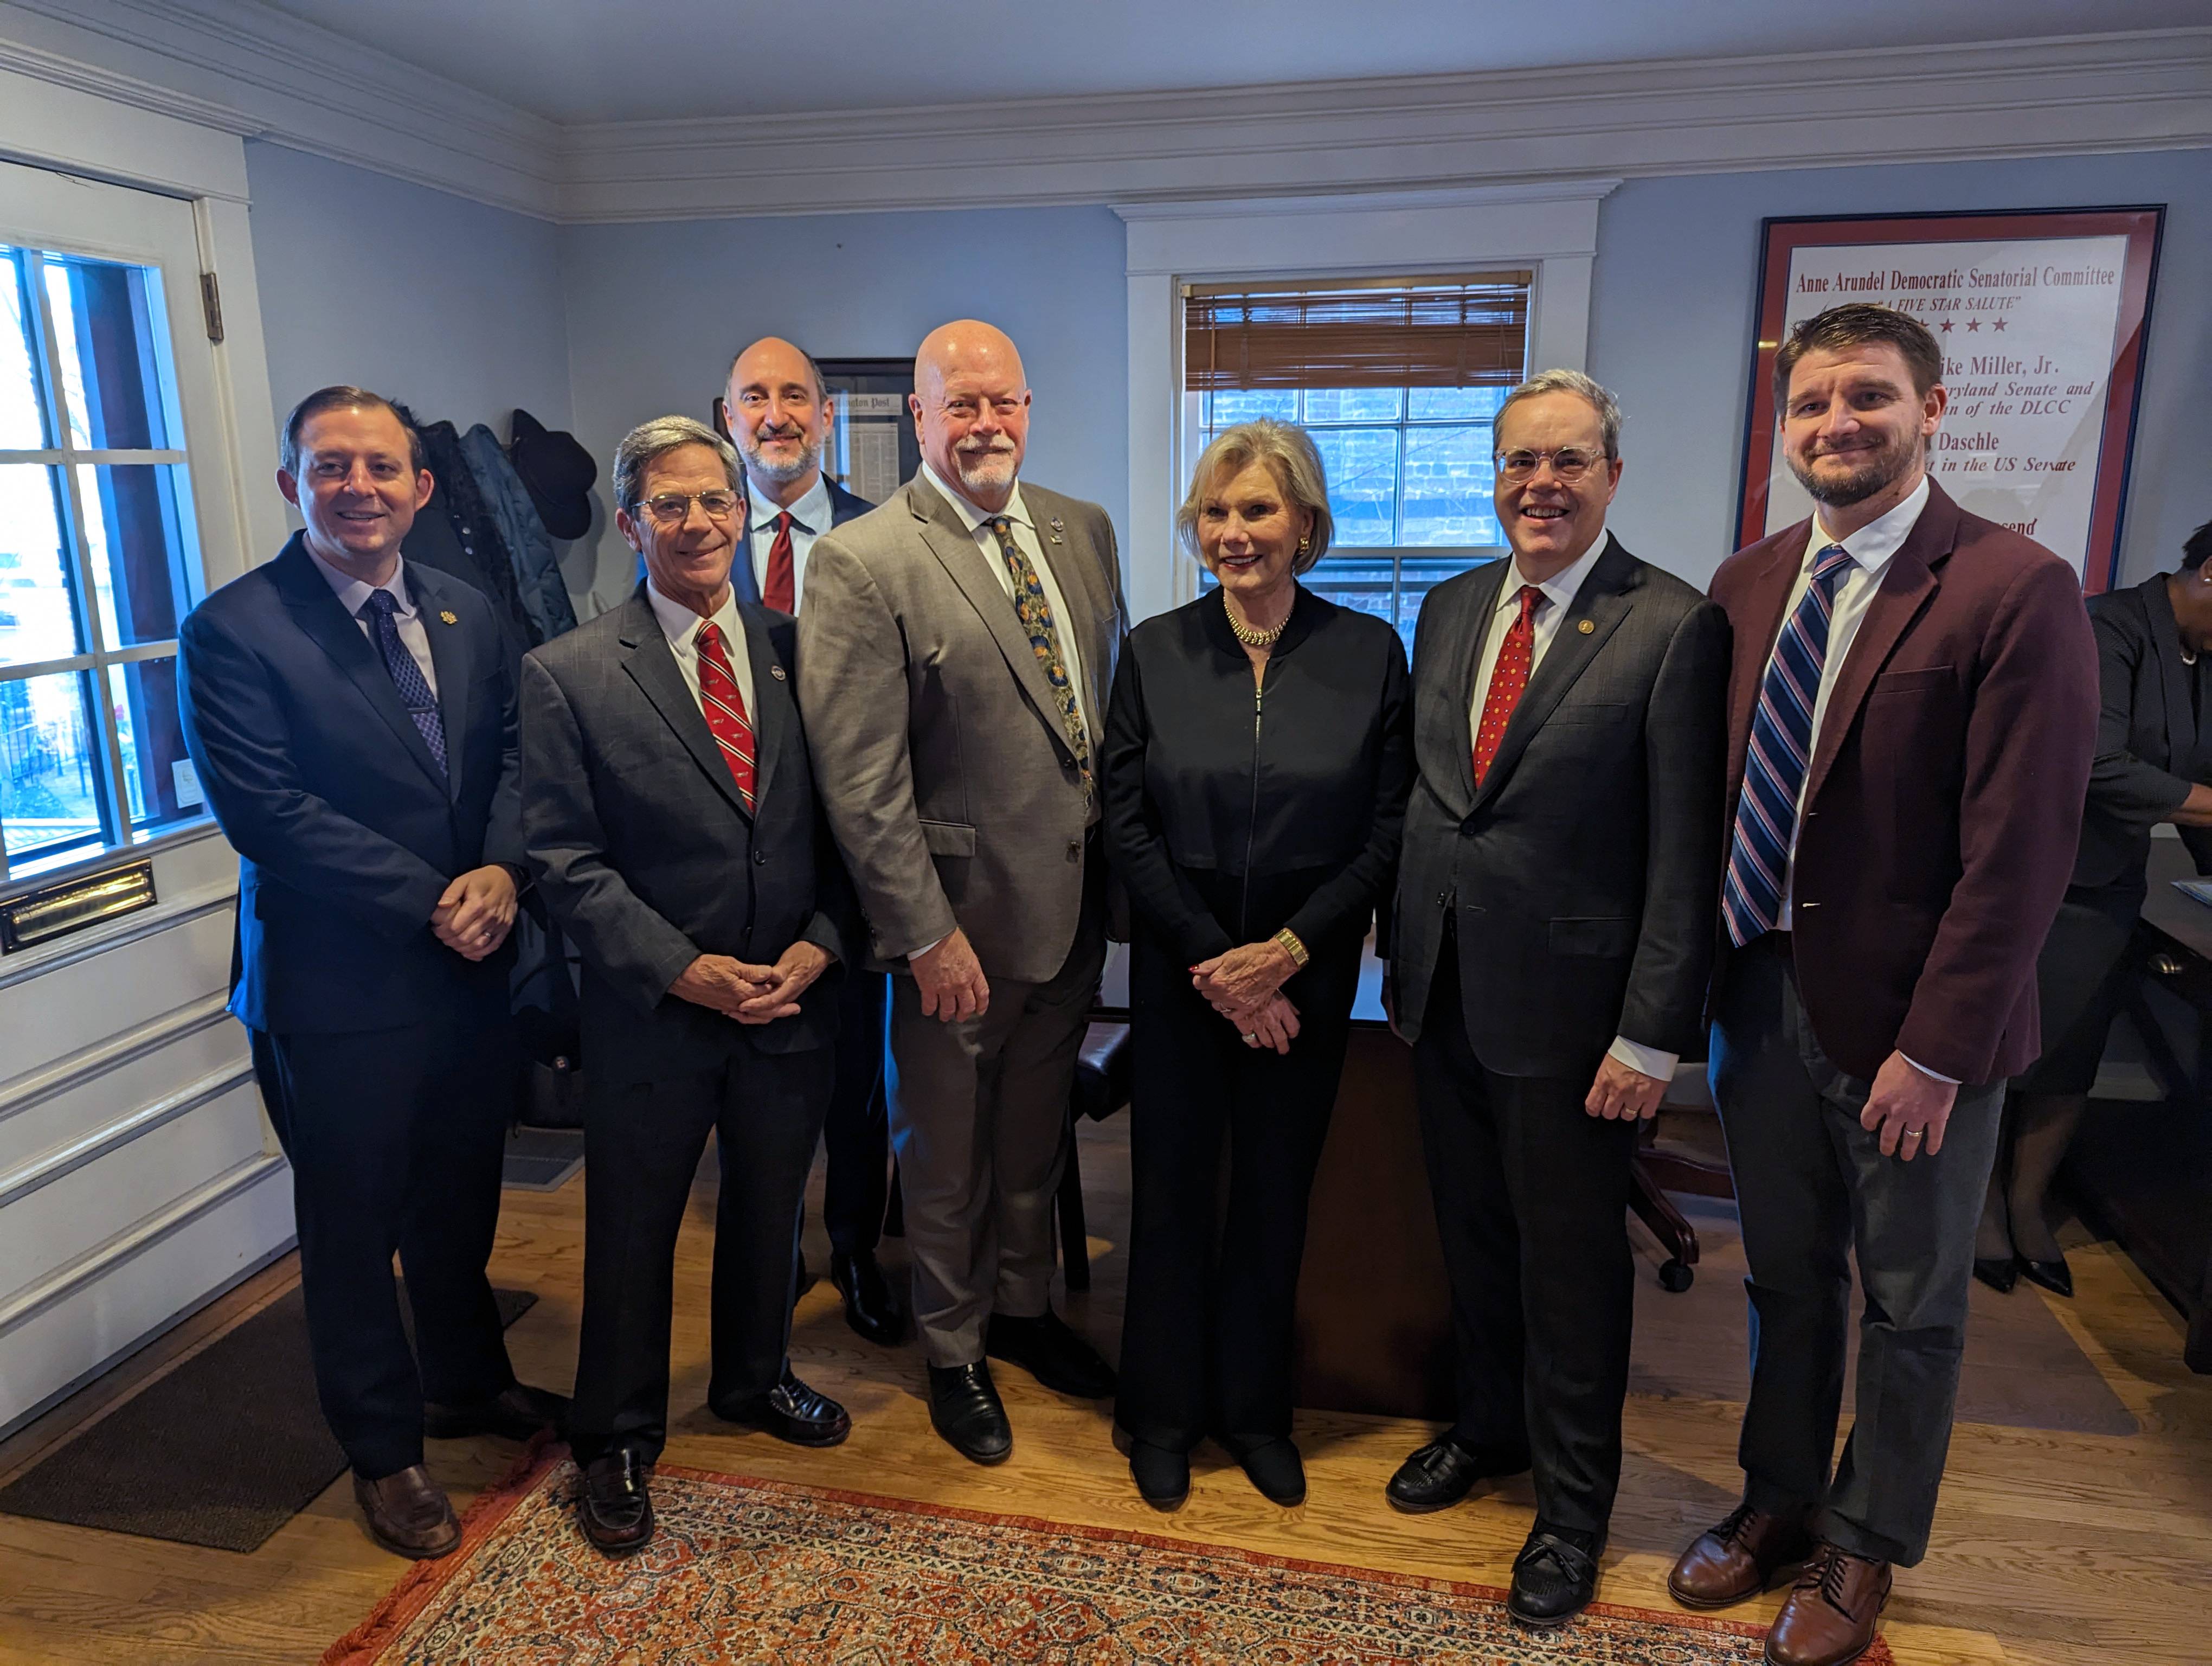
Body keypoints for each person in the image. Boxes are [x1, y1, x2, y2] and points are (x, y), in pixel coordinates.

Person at [1669, 304, 2097, 1666]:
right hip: (1759, 1002)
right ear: (1783, 427)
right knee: (1785, 1279)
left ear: (1933, 409)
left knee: (1912, 1302)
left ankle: (1868, 1547)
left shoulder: (2013, 587)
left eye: (1869, 397)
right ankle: (1781, 1501)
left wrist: (1941, 1048)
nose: (1837, 424)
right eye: (1811, 405)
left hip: (1916, 1032)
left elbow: (2022, 851)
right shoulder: (1747, 583)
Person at [176, 387, 565, 1560]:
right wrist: (432, 903)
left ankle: (465, 1381)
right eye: (331, 467)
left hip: (470, 969)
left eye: (381, 468)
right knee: (352, 1226)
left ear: (421, 486)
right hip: (339, 988)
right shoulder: (235, 629)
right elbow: (268, 814)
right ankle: (385, 1450)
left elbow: (507, 755)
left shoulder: (467, 611)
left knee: (460, 1198)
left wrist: (502, 871)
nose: (360, 488)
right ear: (293, 483)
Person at [1384, 370, 1728, 1625]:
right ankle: (1489, 1432)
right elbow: (1444, 800)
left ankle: (1574, 1512)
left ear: (1612, 477)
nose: (1541, 483)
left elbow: (1685, 855)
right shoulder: (1454, 607)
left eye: (1568, 461)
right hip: (1444, 993)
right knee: (1473, 1243)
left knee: (1573, 1273)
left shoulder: (1672, 625)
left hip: (1582, 1023)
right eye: (1520, 461)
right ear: (1495, 476)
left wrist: (1652, 1035)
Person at [519, 415, 857, 1555]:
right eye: (671, 505)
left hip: (790, 996)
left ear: (743, 512)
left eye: (717, 502)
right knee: (632, 1229)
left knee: (773, 1206)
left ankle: (755, 1377)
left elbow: (854, 823)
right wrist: (683, 969)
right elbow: (564, 862)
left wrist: (821, 940)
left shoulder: (808, 650)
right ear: (630, 525)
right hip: (655, 1011)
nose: (699, 523)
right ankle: (614, 1434)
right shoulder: (567, 674)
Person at [799, 320, 1126, 1464]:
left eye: (1005, 403)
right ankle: (952, 1349)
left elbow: (1094, 721)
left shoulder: (1083, 532)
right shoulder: (863, 559)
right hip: (956, 935)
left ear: (1030, 408)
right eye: (962, 406)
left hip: (1074, 918)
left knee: (1033, 1140)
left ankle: (1025, 1312)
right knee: (943, 1151)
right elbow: (861, 783)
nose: (988, 425)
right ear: (920, 419)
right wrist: (924, 937)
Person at [1104, 420, 1411, 1511]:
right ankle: (1161, 1414)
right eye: (1218, 513)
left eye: (1259, 511)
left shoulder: (1371, 652)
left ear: (1306, 523)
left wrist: (1283, 955)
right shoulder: (1151, 649)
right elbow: (1125, 822)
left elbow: (1387, 829)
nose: (1235, 534)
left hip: (1308, 980)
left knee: (1276, 1201)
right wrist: (1214, 967)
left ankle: (1255, 1413)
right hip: (1185, 982)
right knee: (1173, 1196)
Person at [1977, 515, 2212, 1297]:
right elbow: (2098, 764)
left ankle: (2027, 1202)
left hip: (2111, 883)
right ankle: (1976, 1206)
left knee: (2072, 1052)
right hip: (2038, 875)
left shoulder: (2200, 653)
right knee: (2000, 1050)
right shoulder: (2106, 626)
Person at [724, 335, 899, 1345]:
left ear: (827, 418)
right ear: (731, 418)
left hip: (859, 858)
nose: (777, 414)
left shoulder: (883, 538)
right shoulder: (689, 536)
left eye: (796, 396)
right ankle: (775, 1255)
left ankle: (857, 1251)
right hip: (744, 869)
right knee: (763, 1082)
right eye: (757, 397)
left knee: (858, 1084)